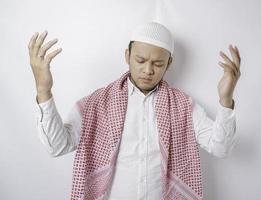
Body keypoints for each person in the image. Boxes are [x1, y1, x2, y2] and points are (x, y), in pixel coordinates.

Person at [28, 21, 241, 200]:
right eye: (140, 60)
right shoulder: (96, 103)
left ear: (169, 64)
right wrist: (43, 90)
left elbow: (220, 148)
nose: (148, 70)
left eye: (158, 63)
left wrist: (225, 100)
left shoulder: (184, 106)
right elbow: (57, 146)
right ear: (127, 56)